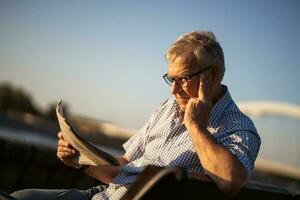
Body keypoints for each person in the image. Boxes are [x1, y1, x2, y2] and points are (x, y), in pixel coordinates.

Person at [11, 30, 261, 200]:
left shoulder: (238, 127)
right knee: (20, 197)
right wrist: (80, 161)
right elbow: (125, 163)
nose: (173, 90)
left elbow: (230, 180)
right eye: (170, 79)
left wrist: (196, 127)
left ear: (214, 74)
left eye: (183, 79)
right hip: (105, 194)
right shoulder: (168, 107)